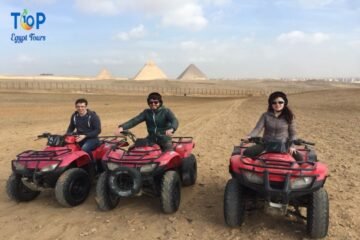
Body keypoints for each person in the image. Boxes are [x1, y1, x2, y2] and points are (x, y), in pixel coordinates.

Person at [243, 91, 303, 161]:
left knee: (300, 160)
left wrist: (292, 146)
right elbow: (257, 129)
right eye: (274, 102)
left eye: (280, 102)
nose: (277, 104)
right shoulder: (265, 115)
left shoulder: (289, 117)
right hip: (266, 143)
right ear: (271, 104)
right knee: (247, 153)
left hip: (283, 145)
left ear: (285, 103)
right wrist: (250, 136)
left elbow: (293, 134)